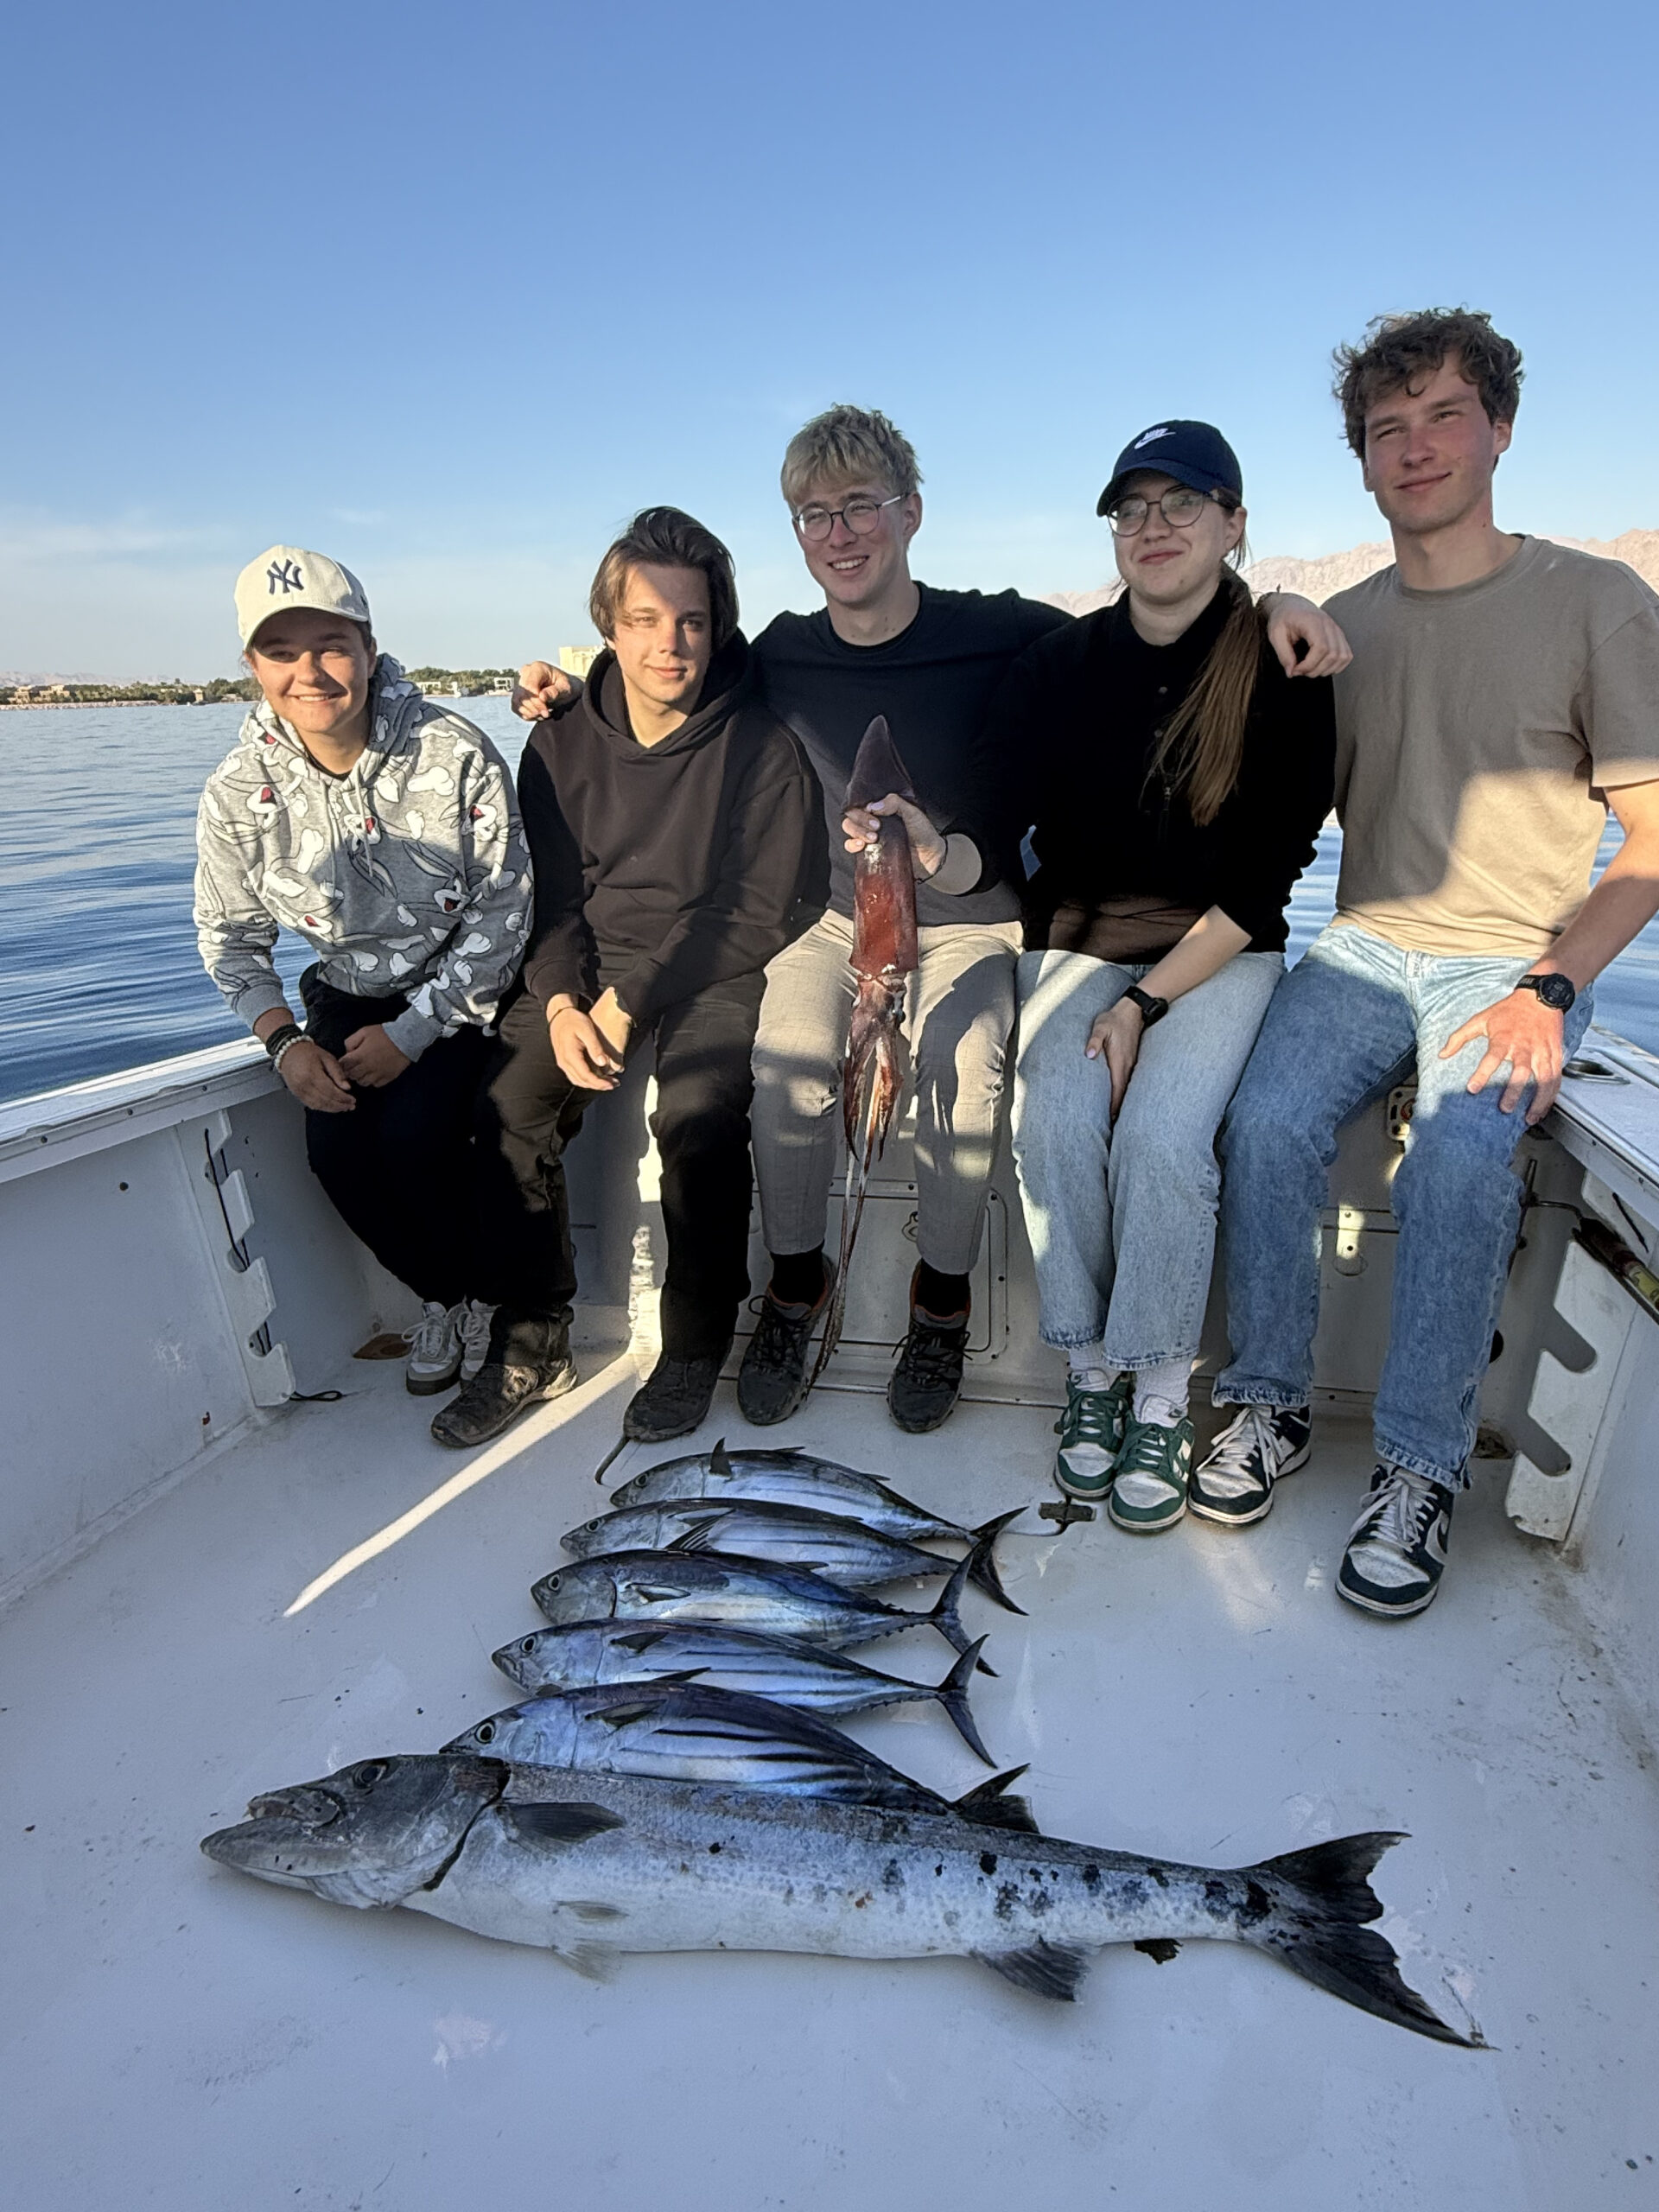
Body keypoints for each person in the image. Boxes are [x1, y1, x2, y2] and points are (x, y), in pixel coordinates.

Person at [515, 407, 1346, 1436]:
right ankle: (796, 1287)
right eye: (816, 515)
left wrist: (1275, 605)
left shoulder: (1005, 634)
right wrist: (566, 686)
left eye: (862, 506)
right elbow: (660, 670)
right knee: (786, 1065)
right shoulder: (779, 651)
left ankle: (941, 1305)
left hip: (970, 919)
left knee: (969, 1070)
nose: (841, 533)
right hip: (831, 920)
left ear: (911, 512)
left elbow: (1148, 623)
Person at [1193, 310, 1659, 1617]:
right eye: (1387, 429)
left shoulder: (1596, 602)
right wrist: (1270, 605)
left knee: (1460, 1159)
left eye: (1445, 416)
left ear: (1500, 428)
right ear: (1361, 462)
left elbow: (1652, 842)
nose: (1415, 448)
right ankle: (1270, 1403)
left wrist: (1552, 989)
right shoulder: (1337, 625)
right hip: (1362, 942)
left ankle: (1419, 1466)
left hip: (1514, 957)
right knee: (1265, 1120)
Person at [982, 423, 1335, 1525]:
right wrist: (918, 848)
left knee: (1164, 1137)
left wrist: (1144, 1004)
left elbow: (1264, 886)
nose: (1154, 526)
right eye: (1131, 508)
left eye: (1183, 503)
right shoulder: (1059, 666)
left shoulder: (1281, 666)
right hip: (1076, 944)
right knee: (1053, 1118)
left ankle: (1161, 1391)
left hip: (1220, 949)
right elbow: (990, 826)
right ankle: (1090, 1372)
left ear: (1234, 524)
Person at [445, 507, 821, 1450]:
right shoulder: (559, 741)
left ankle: (693, 1346)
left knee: (700, 1117)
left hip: (712, 962)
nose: (670, 644)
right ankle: (532, 1338)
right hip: (590, 962)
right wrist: (561, 1002)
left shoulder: (762, 745)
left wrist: (636, 995)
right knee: (506, 1105)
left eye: (691, 620)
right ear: (608, 628)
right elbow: (551, 897)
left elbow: (755, 906)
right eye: (645, 620)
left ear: (719, 627)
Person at [194, 545, 537, 1420]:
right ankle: (445, 1297)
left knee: (420, 1136)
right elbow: (230, 937)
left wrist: (415, 1032)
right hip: (342, 994)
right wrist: (283, 1042)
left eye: (331, 646)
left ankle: (490, 1299)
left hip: (462, 988)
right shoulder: (236, 791)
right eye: (282, 651)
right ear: (253, 665)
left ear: (370, 650)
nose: (309, 672)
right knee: (335, 1154)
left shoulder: (453, 751)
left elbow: (504, 907)